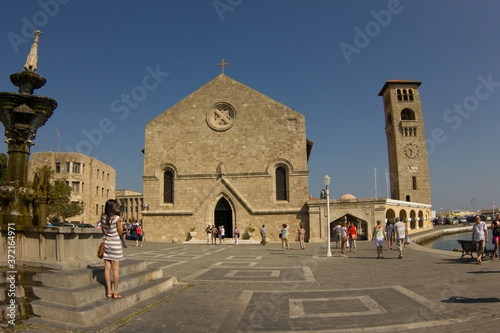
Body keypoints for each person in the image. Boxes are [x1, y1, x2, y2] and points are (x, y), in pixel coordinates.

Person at [101, 199, 123, 299]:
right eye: (116, 207)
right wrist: (121, 222)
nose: (117, 208)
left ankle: (109, 291)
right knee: (116, 269)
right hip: (115, 244)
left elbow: (103, 230)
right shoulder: (116, 218)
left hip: (106, 244)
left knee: (107, 268)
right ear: (113, 208)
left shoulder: (103, 217)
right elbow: (120, 232)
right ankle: (115, 292)